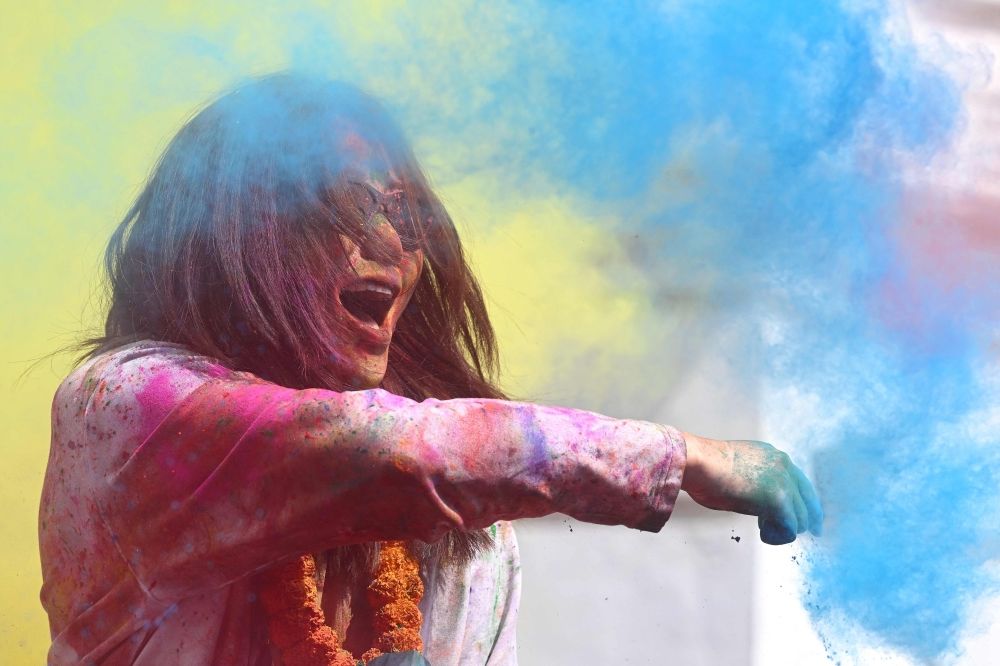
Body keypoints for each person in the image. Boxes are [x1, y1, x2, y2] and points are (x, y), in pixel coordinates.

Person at [38, 74, 823, 666]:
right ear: (232, 233)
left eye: (409, 214)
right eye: (343, 203)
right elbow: (390, 453)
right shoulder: (122, 408)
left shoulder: (466, 539)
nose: (391, 242)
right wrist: (682, 457)